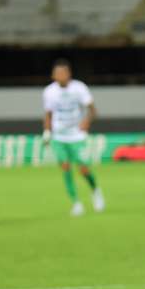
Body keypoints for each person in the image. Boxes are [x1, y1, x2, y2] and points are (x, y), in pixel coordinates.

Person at [42, 59, 104, 216]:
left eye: (62, 73)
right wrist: (47, 132)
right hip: (59, 137)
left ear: (68, 74)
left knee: (83, 167)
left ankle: (95, 190)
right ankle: (76, 203)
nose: (60, 76)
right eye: (57, 73)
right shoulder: (49, 92)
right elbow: (48, 114)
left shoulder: (79, 88)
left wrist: (86, 122)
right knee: (65, 168)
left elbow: (93, 110)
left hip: (76, 136)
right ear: (53, 75)